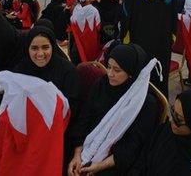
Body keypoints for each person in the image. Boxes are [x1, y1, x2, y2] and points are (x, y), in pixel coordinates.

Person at [68, 44, 160, 176]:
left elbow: (133, 145)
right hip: (87, 145)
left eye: (117, 70)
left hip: (117, 158)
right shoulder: (102, 84)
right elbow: (84, 118)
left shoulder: (145, 103)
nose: (110, 74)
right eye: (109, 67)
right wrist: (77, 155)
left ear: (131, 73)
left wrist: (98, 166)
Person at [121, 0, 177, 97]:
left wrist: (124, 39)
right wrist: (171, 37)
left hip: (139, 43)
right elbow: (173, 17)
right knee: (160, 76)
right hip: (162, 43)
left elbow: (126, 15)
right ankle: (160, 111)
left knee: (140, 78)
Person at [128, 89, 191, 176]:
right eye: (173, 112)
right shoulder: (166, 130)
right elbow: (143, 158)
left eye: (179, 119)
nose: (172, 121)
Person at [13, 25, 80, 119]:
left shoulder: (68, 72)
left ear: (53, 47)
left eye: (45, 47)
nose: (40, 54)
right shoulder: (20, 69)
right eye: (34, 48)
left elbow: (72, 109)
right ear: (27, 48)